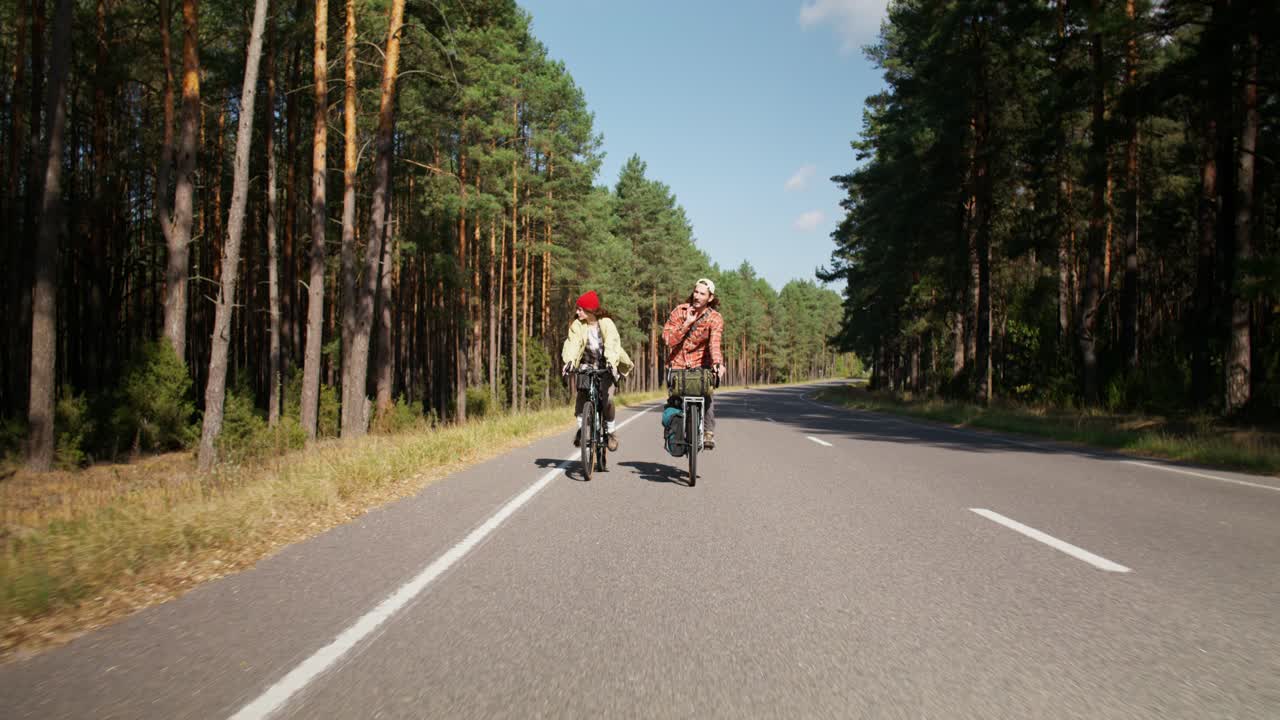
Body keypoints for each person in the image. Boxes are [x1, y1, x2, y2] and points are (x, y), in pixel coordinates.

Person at [561, 290, 634, 451]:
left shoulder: (606, 323)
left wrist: (611, 363)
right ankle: (582, 429)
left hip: (606, 365)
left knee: (607, 400)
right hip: (586, 365)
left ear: (590, 310)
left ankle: (611, 430)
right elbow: (572, 344)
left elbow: (612, 344)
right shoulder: (577, 325)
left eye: (580, 309)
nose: (577, 312)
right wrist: (570, 362)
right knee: (582, 394)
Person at [661, 278, 726, 449]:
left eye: (702, 294)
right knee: (674, 402)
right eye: (695, 292)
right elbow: (668, 340)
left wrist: (717, 364)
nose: (697, 296)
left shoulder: (715, 318)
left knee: (707, 393)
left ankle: (708, 432)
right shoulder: (679, 312)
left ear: (710, 298)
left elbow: (714, 344)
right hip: (677, 364)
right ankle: (674, 434)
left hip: (701, 365)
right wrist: (687, 323)